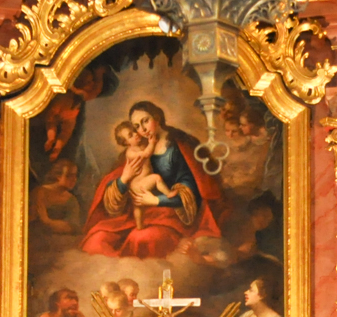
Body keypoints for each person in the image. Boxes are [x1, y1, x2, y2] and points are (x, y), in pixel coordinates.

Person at [79, 102, 223, 259]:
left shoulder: (177, 147)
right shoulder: (138, 148)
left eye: (145, 121)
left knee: (142, 238)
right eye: (137, 126)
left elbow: (190, 194)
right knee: (97, 240)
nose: (142, 129)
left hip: (170, 214)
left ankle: (137, 273)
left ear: (157, 117)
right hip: (137, 213)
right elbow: (115, 196)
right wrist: (124, 179)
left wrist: (156, 200)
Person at [111, 121, 176, 229]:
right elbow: (146, 154)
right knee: (156, 178)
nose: (135, 134)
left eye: (134, 131)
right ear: (126, 142)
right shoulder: (130, 152)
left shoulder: (141, 145)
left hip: (138, 184)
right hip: (138, 184)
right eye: (130, 135)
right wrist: (152, 143)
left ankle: (139, 225)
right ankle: (169, 194)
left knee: (138, 207)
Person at [30, 159, 82, 236]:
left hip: (60, 239)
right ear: (58, 176)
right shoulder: (39, 192)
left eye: (75, 176)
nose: (74, 179)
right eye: (69, 176)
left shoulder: (71, 200)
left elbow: (72, 227)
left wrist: (48, 221)